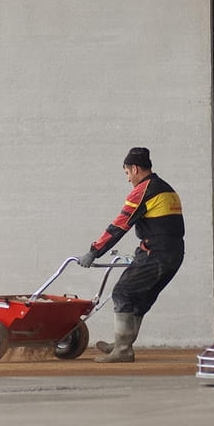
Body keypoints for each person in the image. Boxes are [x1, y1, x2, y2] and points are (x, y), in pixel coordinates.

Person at [78, 147, 185, 362]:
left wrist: (94, 252)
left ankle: (123, 350)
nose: (128, 179)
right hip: (173, 254)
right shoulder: (166, 188)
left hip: (156, 254)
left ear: (135, 169)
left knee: (122, 293)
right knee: (140, 299)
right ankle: (121, 344)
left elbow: (120, 225)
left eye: (127, 173)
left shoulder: (144, 190)